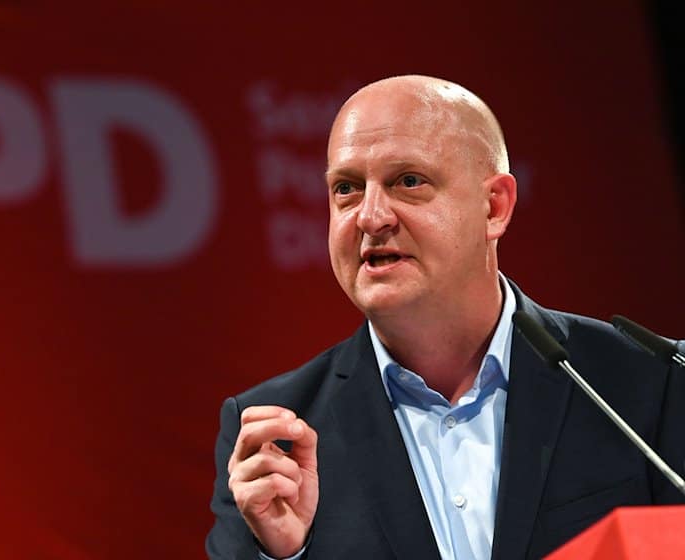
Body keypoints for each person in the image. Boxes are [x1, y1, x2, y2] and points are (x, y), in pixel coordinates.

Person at [206, 75, 685, 559]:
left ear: (494, 207)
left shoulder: (645, 386)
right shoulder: (276, 439)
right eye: (347, 188)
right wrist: (284, 557)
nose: (371, 217)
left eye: (408, 181)